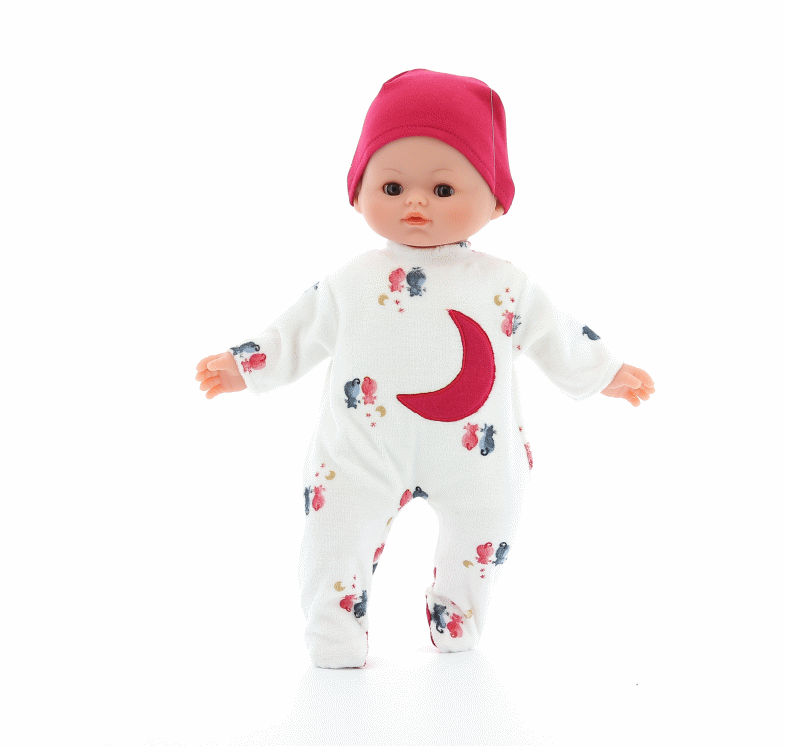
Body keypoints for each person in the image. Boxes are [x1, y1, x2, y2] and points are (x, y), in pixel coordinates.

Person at [195, 69, 655, 669]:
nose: (415, 203)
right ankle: (334, 632)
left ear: (495, 201)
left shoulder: (504, 284)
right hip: (361, 452)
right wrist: (245, 365)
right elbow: (295, 332)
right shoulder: (350, 283)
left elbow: (556, 332)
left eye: (443, 189)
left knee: (487, 526)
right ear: (357, 193)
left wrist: (603, 371)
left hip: (478, 456)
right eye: (391, 187)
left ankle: (457, 617)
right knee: (335, 532)